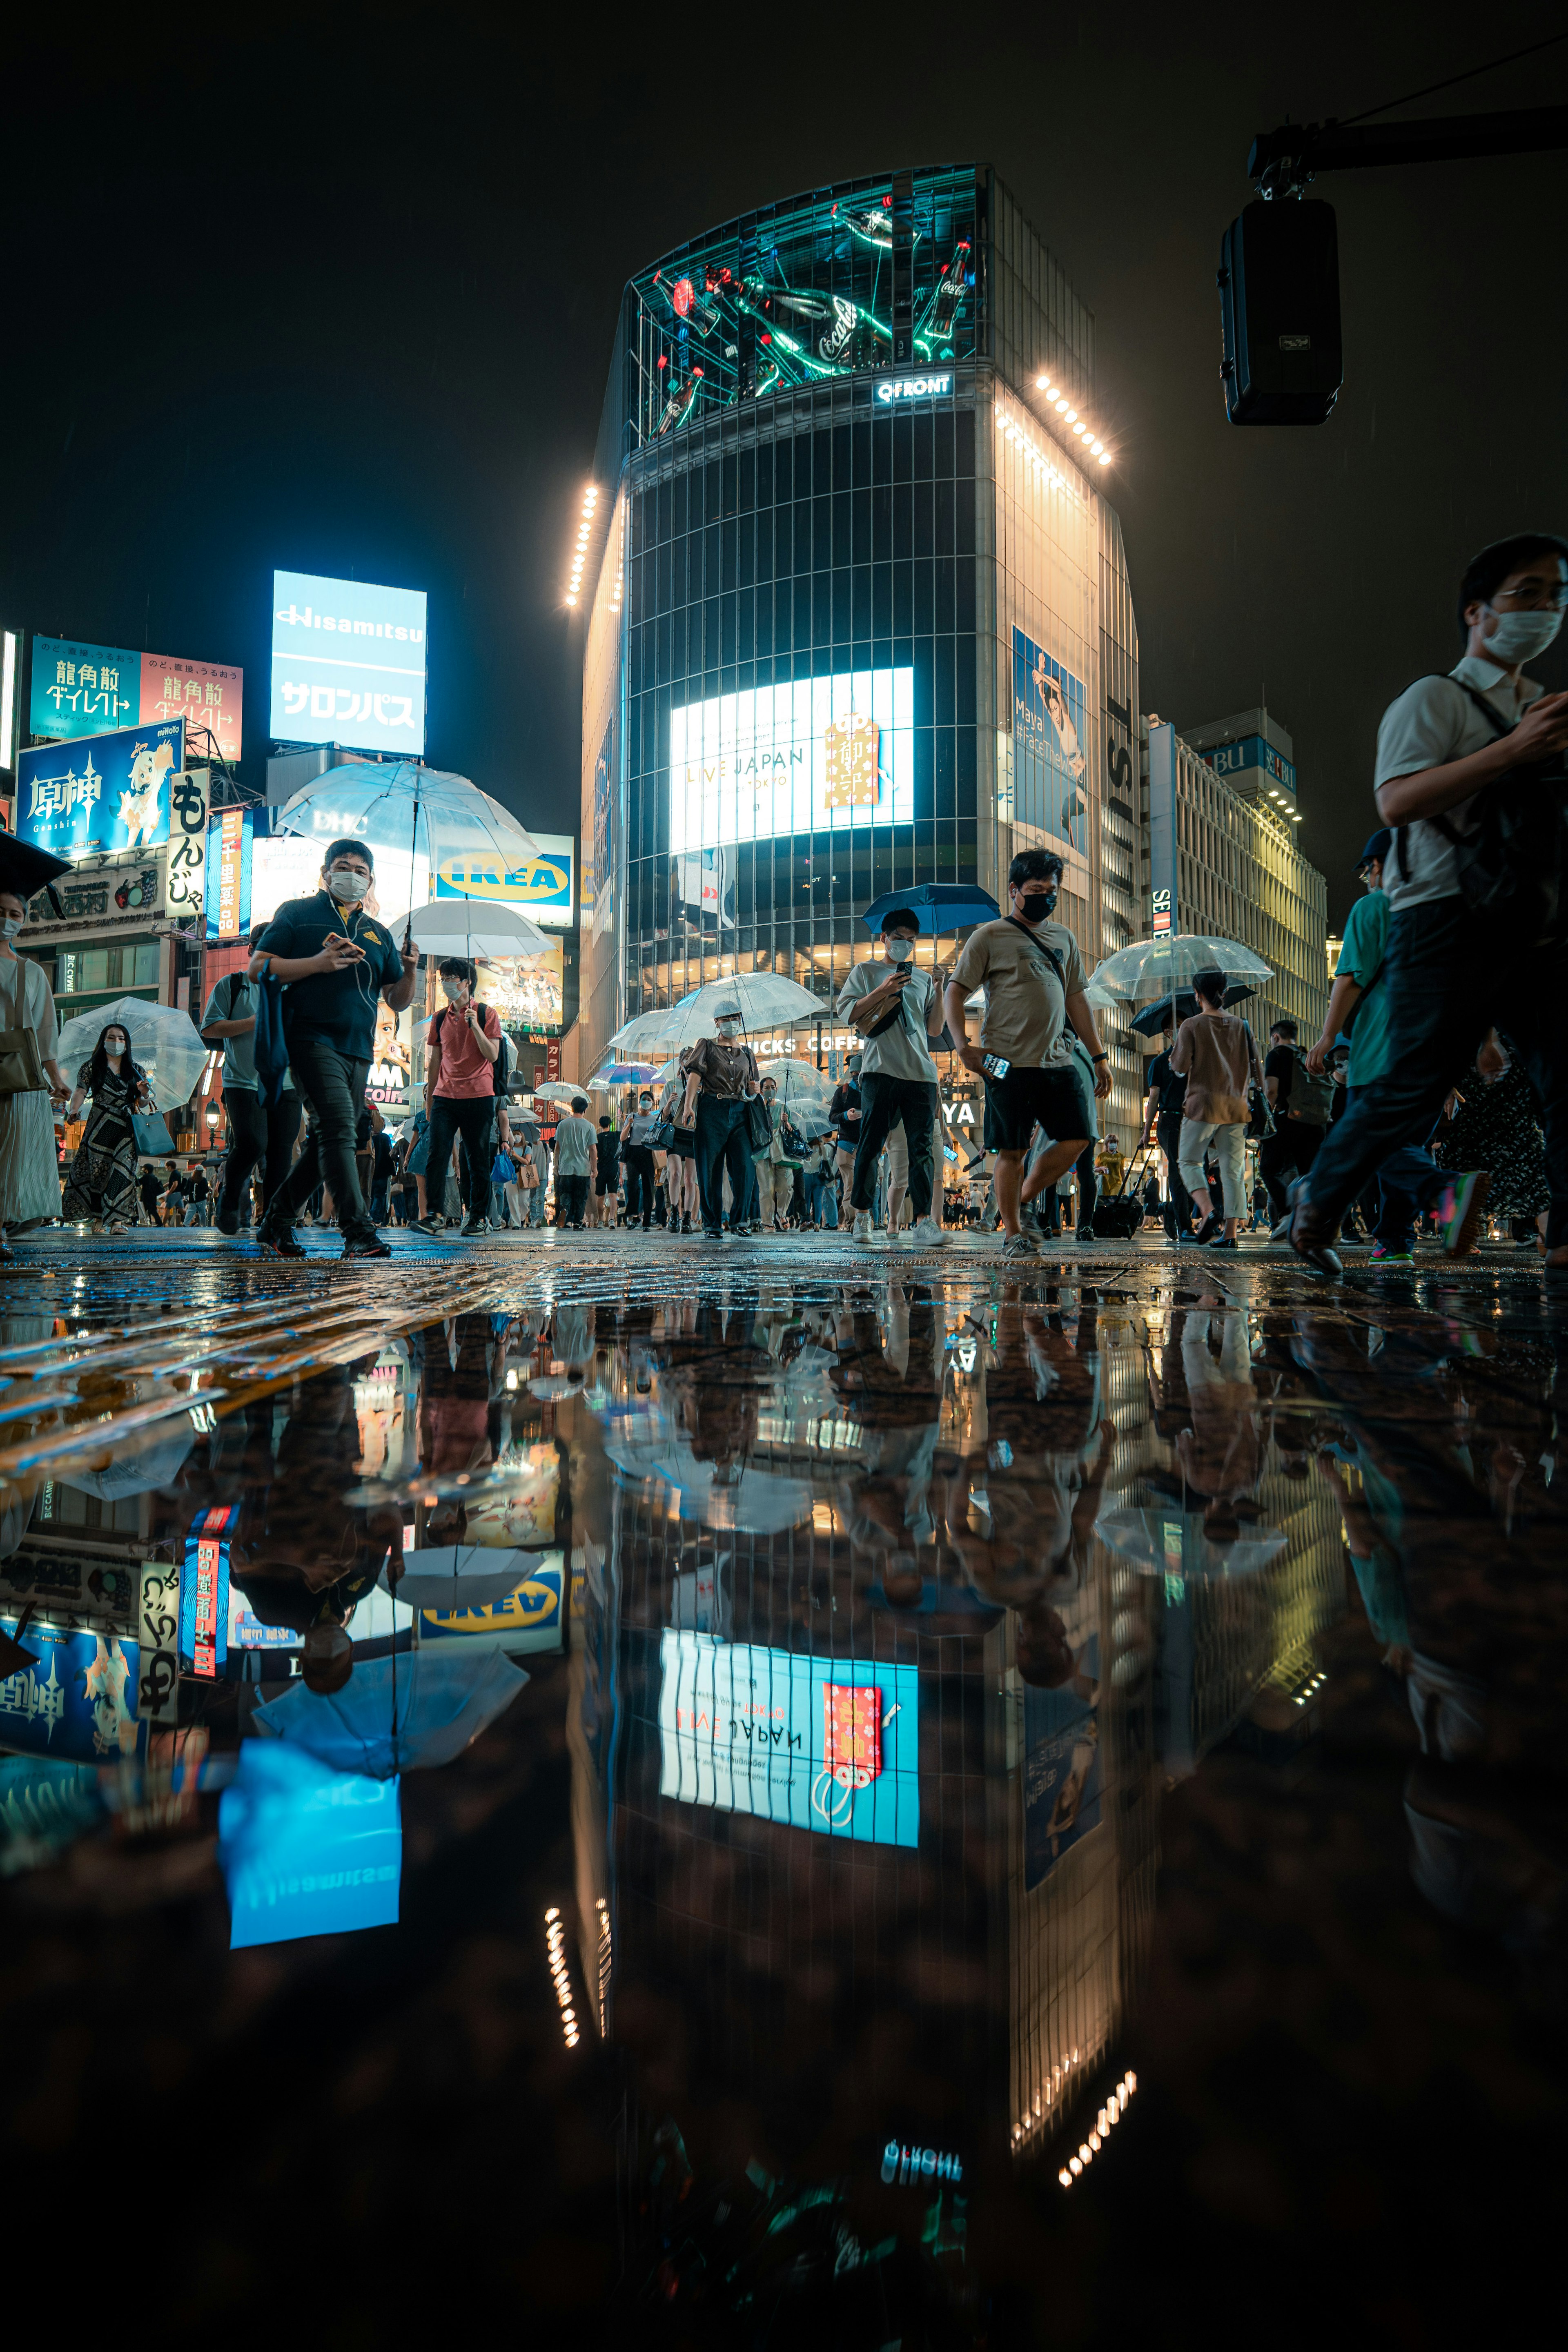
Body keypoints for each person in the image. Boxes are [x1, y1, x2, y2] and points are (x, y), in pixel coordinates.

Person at [1291, 532, 1568, 1275]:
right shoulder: (1433, 700)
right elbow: (1396, 801)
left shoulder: (1543, 706)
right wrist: (1514, 752)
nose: (1546, 609)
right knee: (1406, 1089)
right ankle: (1315, 1211)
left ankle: (1563, 1235)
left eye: (1557, 594)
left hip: (1534, 922)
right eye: (1528, 593)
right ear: (1477, 612)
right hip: (1445, 917)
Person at [250, 840, 419, 1261]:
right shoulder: (297, 914)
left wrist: (411, 968)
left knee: (328, 1136)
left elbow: (397, 1000)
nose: (352, 875)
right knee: (341, 1127)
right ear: (326, 874)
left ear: (371, 880)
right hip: (309, 1038)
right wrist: (317, 964)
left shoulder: (378, 934)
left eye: (361, 870)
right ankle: (358, 1232)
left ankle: (276, 1221)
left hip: (360, 1051)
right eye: (343, 867)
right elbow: (258, 967)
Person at [943, 849, 1111, 1261]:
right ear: (1015, 891)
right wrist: (963, 1046)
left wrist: (1099, 1055)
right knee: (1011, 1150)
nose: (1046, 898)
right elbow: (956, 991)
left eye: (1052, 891)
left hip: (1058, 1059)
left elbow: (1077, 1000)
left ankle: (1021, 1198)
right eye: (1036, 890)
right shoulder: (990, 936)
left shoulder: (1064, 939)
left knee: (1077, 1139)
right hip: (1004, 1061)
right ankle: (1013, 1232)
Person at [1305, 829, 1440, 1265]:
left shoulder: (1372, 906)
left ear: (1380, 865)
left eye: (1367, 869)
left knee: (1370, 1144)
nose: (1365, 878)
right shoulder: (1437, 911)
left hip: (1381, 1047)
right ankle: (1395, 1240)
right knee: (1406, 1147)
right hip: (1431, 1053)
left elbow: (1351, 977)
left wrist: (1328, 1037)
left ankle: (1446, 1192)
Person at [835, 908, 950, 1250]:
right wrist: (883, 990)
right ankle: (863, 1215)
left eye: (912, 941)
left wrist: (940, 989)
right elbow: (848, 1013)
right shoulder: (866, 971)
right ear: (884, 938)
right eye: (899, 939)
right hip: (879, 1070)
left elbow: (934, 1029)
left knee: (922, 1150)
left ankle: (923, 1223)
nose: (905, 945)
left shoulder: (924, 979)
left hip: (921, 1074)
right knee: (870, 1145)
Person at [200, 924, 303, 1235]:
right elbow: (209, 1029)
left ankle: (275, 1221)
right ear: (252, 951)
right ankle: (230, 1199)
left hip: (287, 1082)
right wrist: (252, 1023)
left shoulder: (296, 990)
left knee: (281, 1153)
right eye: (267, 948)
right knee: (253, 1142)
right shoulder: (232, 985)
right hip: (243, 1080)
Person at [1170, 969, 1263, 1250]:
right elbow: (1257, 1068)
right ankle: (1231, 1234)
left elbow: (1179, 1068)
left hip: (1203, 1105)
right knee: (1233, 1171)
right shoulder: (1242, 1025)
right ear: (1224, 993)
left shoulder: (1191, 1025)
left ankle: (1208, 1211)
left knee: (1188, 1161)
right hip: (1235, 1106)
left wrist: (1176, 1049)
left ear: (1197, 995)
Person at [412, 958, 501, 1240]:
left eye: (453, 978)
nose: (448, 983)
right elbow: (434, 1063)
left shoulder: (487, 1014)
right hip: (445, 1096)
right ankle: (434, 1215)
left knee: (477, 1160)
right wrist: (429, 1105)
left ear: (468, 982)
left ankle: (478, 1218)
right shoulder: (439, 1018)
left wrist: (475, 1026)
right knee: (437, 1154)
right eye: (444, 978)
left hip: (479, 1095)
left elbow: (493, 1055)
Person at [0, 879, 66, 1252]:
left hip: (20, 1078)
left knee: (11, 1152)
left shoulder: (33, 973)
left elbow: (45, 1032)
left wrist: (55, 1078)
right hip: (17, 1075)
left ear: (23, 921)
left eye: (15, 915)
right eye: (1, 913)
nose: (7, 921)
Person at [63, 1021, 150, 1234]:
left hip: (125, 1127)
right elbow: (80, 1091)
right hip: (98, 1125)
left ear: (127, 1044)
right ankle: (99, 1220)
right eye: (111, 1037)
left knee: (123, 1170)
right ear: (103, 1041)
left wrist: (145, 1093)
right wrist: (73, 1110)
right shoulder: (92, 1067)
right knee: (97, 1172)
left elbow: (144, 1103)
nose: (116, 1042)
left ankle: (118, 1222)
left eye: (121, 1039)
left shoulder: (137, 1071)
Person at [682, 1007, 760, 1241]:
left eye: (735, 1019)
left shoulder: (747, 1053)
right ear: (717, 1022)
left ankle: (739, 1220)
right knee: (710, 1169)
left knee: (745, 1167)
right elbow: (694, 1077)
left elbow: (752, 1085)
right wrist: (688, 1106)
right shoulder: (706, 1045)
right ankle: (713, 1224)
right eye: (726, 1020)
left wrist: (753, 1090)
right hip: (711, 1109)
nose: (731, 1024)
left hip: (740, 1111)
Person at [1138, 1016, 1193, 1243]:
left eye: (1185, 1023)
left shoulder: (1193, 1059)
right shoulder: (1159, 1063)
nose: (1183, 1028)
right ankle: (1185, 1227)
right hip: (1169, 1121)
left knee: (1195, 1172)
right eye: (1178, 1025)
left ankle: (1170, 1209)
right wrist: (1146, 1132)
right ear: (1168, 1032)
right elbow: (1154, 1097)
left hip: (1192, 1120)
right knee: (1179, 1174)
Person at [749, 1074, 795, 1231]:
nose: (770, 1090)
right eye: (767, 1088)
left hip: (781, 1153)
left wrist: (787, 1123)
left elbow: (793, 1130)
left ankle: (782, 1213)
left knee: (786, 1186)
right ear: (761, 1091)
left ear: (777, 1090)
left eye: (772, 1087)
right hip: (763, 1153)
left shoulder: (784, 1108)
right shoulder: (757, 1108)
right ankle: (767, 1221)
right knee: (767, 1189)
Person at [657, 1069, 698, 1235]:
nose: (690, 1069)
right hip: (674, 1134)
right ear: (681, 1065)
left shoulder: (700, 1085)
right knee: (675, 1174)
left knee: (690, 1179)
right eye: (686, 1064)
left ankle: (687, 1218)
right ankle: (674, 1214)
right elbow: (663, 1116)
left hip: (693, 1133)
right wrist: (669, 1102)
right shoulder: (671, 1085)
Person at [829, 1054, 864, 1218]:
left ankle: (861, 1219)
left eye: (860, 1074)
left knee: (862, 1184)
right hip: (846, 1145)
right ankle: (853, 1222)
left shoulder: (871, 1091)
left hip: (865, 1145)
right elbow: (833, 1117)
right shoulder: (842, 1092)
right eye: (854, 1074)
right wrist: (845, 1116)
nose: (856, 1077)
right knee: (850, 1185)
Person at [621, 1088, 661, 1229]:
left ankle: (647, 1222)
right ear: (640, 1102)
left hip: (648, 1153)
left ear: (653, 1103)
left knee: (648, 1187)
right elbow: (622, 1138)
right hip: (633, 1153)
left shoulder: (655, 1119)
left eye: (649, 1100)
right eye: (644, 1099)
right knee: (632, 1185)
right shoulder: (632, 1116)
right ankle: (634, 1216)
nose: (646, 1102)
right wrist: (629, 1125)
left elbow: (658, 1137)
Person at [553, 1094, 595, 1227]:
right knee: (581, 1197)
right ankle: (577, 1222)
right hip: (583, 1168)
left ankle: (565, 1209)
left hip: (566, 1167)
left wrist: (556, 1164)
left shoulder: (562, 1125)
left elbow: (557, 1147)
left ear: (572, 1108)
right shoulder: (589, 1126)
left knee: (566, 1193)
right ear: (585, 1110)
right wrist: (594, 1168)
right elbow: (593, 1149)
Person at [593, 1113, 622, 1226]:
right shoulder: (616, 1135)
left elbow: (594, 1153)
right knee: (613, 1194)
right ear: (610, 1124)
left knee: (600, 1196)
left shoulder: (597, 1138)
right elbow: (626, 1133)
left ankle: (600, 1220)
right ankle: (612, 1220)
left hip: (601, 1167)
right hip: (613, 1167)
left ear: (600, 1125)